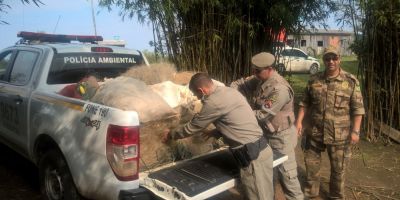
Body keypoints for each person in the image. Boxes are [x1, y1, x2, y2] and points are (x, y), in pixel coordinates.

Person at [162, 72, 274, 200]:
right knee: (266, 194)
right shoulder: (229, 92)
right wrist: (215, 132)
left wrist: (170, 134)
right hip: (262, 151)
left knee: (258, 196)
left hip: (253, 158)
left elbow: (193, 127)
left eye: (196, 94)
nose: (197, 98)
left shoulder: (213, 102)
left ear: (201, 90)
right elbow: (236, 119)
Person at [230, 52, 304, 200]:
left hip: (281, 138)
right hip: (263, 136)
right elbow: (238, 84)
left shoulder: (279, 89)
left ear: (269, 69)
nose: (254, 73)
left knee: (288, 177)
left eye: (257, 71)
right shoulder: (259, 78)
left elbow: (262, 115)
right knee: (266, 175)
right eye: (254, 70)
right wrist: (228, 94)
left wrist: (239, 112)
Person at [295, 46, 365, 199]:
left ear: (339, 59)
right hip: (315, 131)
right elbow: (304, 103)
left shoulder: (351, 81)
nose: (331, 61)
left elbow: (358, 109)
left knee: (338, 170)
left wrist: (356, 131)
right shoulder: (314, 80)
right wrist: (299, 122)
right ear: (323, 60)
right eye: (327, 58)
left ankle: (336, 196)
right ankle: (311, 194)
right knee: (311, 167)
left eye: (334, 58)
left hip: (340, 135)